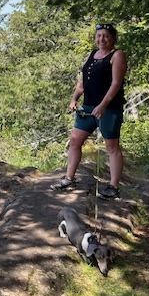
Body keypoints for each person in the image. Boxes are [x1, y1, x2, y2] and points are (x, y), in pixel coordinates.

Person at [50, 23, 127, 200]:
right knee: (75, 140)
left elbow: (116, 83)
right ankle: (69, 178)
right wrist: (74, 98)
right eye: (99, 35)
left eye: (106, 36)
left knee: (112, 147)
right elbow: (83, 81)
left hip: (109, 108)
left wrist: (103, 105)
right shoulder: (91, 54)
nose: (101, 39)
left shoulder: (117, 55)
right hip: (88, 107)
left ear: (113, 38)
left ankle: (113, 188)